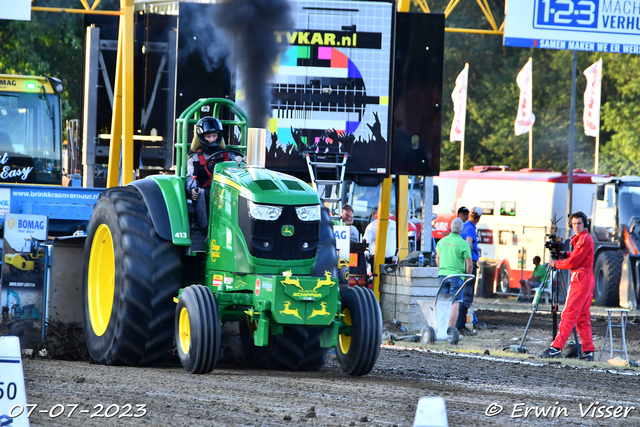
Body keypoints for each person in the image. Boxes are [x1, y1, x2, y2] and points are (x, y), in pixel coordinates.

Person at [540, 212, 595, 361]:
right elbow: (576, 257)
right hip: (585, 279)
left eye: (579, 224)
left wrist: (556, 263)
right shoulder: (581, 239)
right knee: (582, 317)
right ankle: (588, 351)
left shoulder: (583, 239)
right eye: (574, 224)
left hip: (581, 280)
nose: (576, 226)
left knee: (569, 314)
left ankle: (556, 348)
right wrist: (565, 254)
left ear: (585, 225)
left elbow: (574, 263)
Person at [186, 117, 230, 228]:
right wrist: (193, 189)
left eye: (214, 136)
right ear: (202, 138)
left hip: (227, 190)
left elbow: (242, 167)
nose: (212, 140)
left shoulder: (229, 155)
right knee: (200, 193)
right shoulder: (194, 159)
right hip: (206, 191)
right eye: (208, 136)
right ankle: (205, 230)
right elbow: (190, 177)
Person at [436, 217, 472, 329]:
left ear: (451, 228)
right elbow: (469, 264)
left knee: (442, 303)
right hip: (457, 277)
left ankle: (441, 328)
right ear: (461, 229)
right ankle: (450, 330)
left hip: (443, 276)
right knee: (455, 303)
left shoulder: (441, 242)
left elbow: (437, 259)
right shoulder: (464, 244)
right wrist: (466, 277)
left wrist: (442, 269)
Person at [455, 206, 482, 336]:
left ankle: (457, 325)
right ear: (479, 217)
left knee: (461, 295)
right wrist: (469, 262)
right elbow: (469, 244)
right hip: (469, 264)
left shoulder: (464, 225)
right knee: (467, 296)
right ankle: (460, 326)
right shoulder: (471, 228)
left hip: (460, 264)